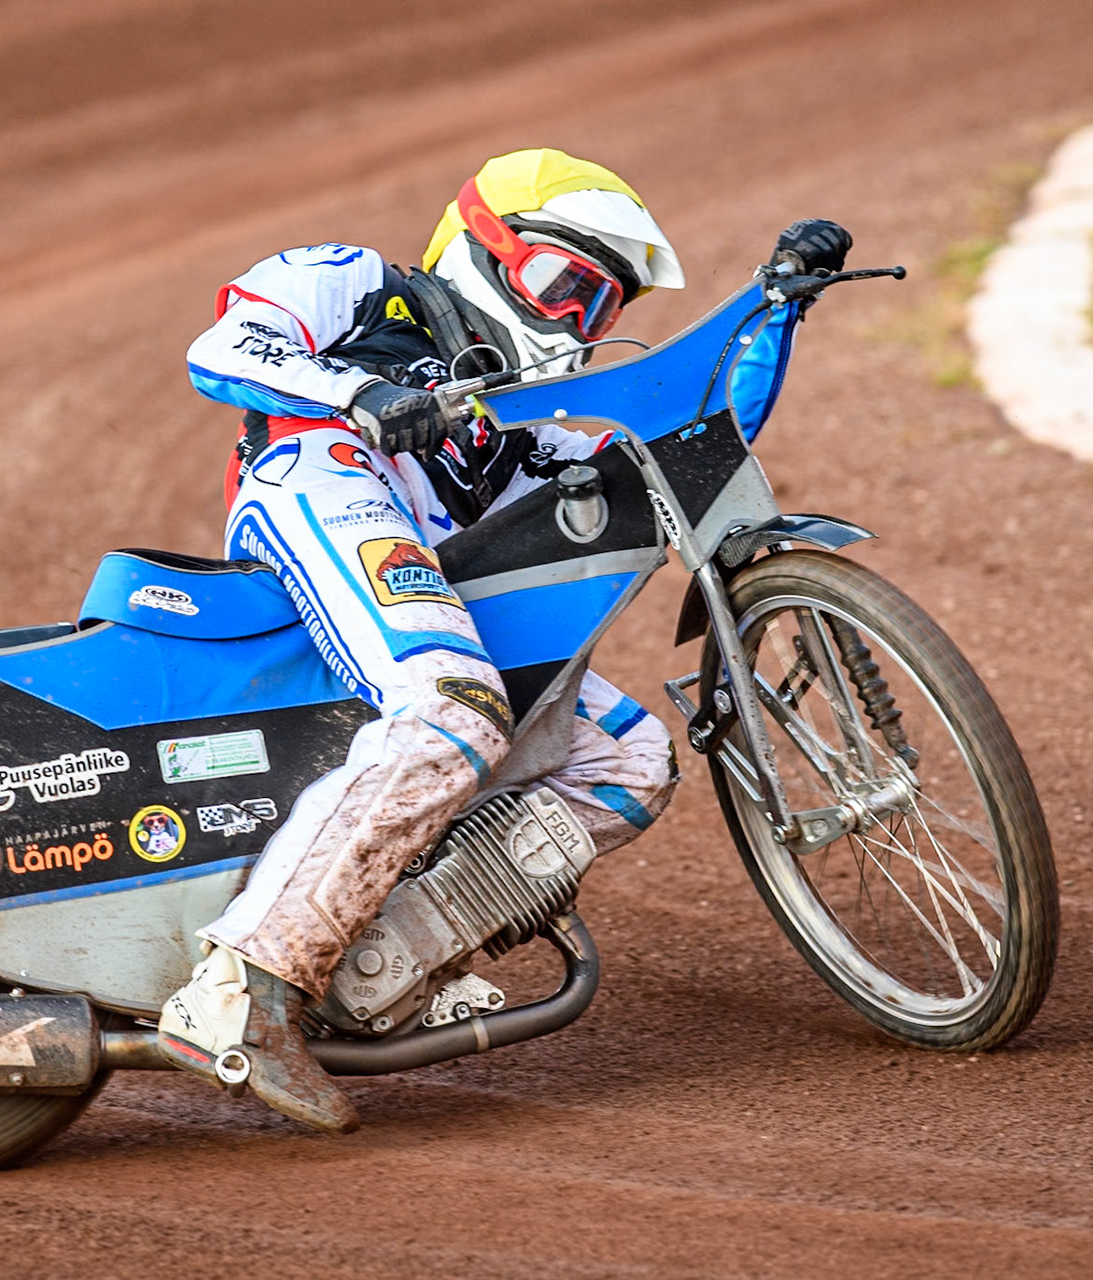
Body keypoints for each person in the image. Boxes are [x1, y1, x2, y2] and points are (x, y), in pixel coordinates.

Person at [158, 148, 850, 1132]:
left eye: (597, 309)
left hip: (438, 570)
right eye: (564, 286)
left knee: (629, 758)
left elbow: (704, 436)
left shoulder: (525, 420)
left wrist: (776, 310)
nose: (575, 324)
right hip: (321, 478)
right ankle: (243, 983)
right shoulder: (362, 283)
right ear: (485, 247)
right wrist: (357, 393)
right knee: (453, 711)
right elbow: (227, 345)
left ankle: (372, 961)